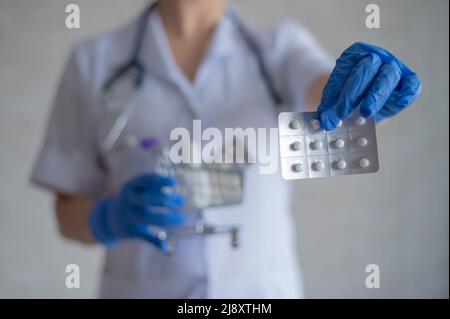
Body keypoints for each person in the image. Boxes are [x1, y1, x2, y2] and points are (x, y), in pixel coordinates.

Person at [31, 0, 421, 298]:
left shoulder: (280, 49)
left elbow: (326, 96)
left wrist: (361, 88)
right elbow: (67, 212)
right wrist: (107, 217)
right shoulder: (94, 62)